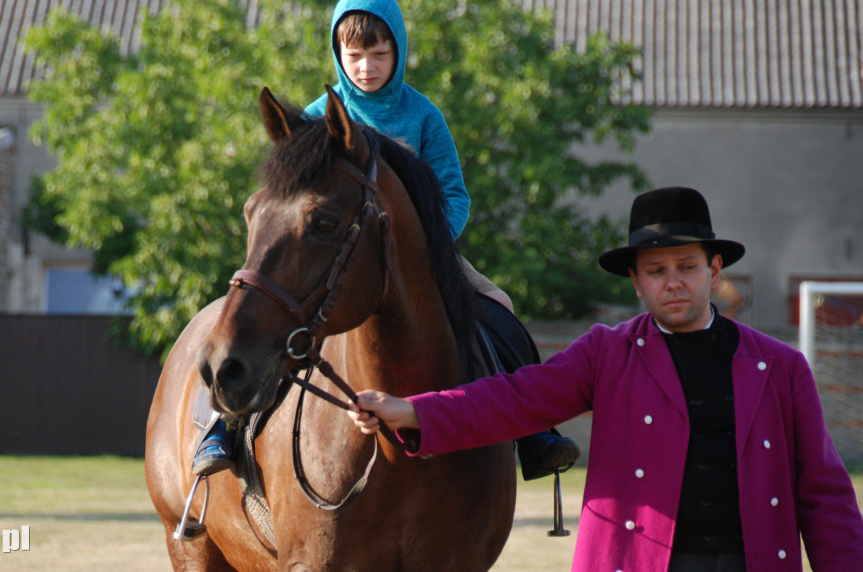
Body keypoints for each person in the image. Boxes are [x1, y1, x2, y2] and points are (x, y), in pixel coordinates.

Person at [348, 186, 863, 572]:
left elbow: (825, 493)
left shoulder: (780, 366)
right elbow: (515, 399)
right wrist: (413, 409)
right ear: (637, 283)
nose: (674, 282)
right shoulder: (607, 352)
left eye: (687, 266)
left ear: (716, 270)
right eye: (656, 271)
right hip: (641, 562)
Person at [192, 0, 580, 479]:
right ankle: (223, 426)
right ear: (338, 55)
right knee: (263, 322)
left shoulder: (423, 115)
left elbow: (455, 196)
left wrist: (428, 243)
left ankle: (534, 435)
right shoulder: (316, 117)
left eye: (379, 54)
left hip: (422, 255)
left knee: (500, 309)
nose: (366, 67)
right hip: (334, 257)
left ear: (398, 50)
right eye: (354, 56)